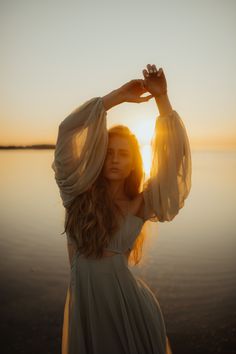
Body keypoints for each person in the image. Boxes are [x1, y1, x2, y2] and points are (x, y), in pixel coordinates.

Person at [51, 64, 192, 354]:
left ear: (133, 163)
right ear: (99, 159)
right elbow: (67, 132)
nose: (115, 160)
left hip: (129, 309)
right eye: (108, 153)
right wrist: (115, 98)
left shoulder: (142, 202)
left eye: (123, 154)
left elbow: (173, 159)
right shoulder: (76, 195)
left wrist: (162, 98)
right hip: (86, 309)